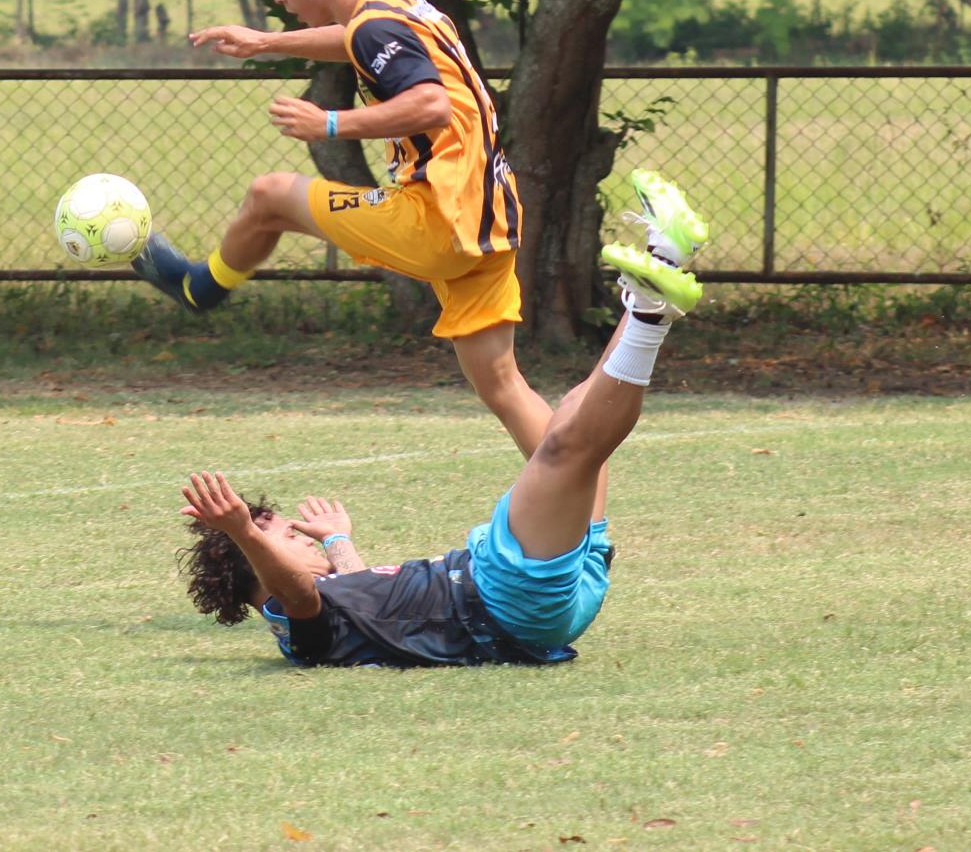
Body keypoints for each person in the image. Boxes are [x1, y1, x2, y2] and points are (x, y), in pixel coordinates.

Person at [175, 179, 708, 667]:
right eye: (286, 536)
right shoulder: (293, 624)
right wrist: (243, 529)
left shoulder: (340, 604)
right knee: (566, 450)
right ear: (258, 572)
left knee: (574, 420)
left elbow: (356, 589)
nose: (299, 536)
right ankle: (651, 311)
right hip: (504, 598)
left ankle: (660, 266)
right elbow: (298, 595)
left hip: (541, 608)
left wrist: (338, 541)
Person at [132, 0, 550, 458]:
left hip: (437, 219)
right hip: (489, 220)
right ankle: (588, 529)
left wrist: (330, 123)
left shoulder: (375, 25)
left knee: (270, 195)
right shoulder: (399, 6)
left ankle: (198, 289)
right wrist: (265, 41)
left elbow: (429, 104)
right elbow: (357, 40)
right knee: (505, 387)